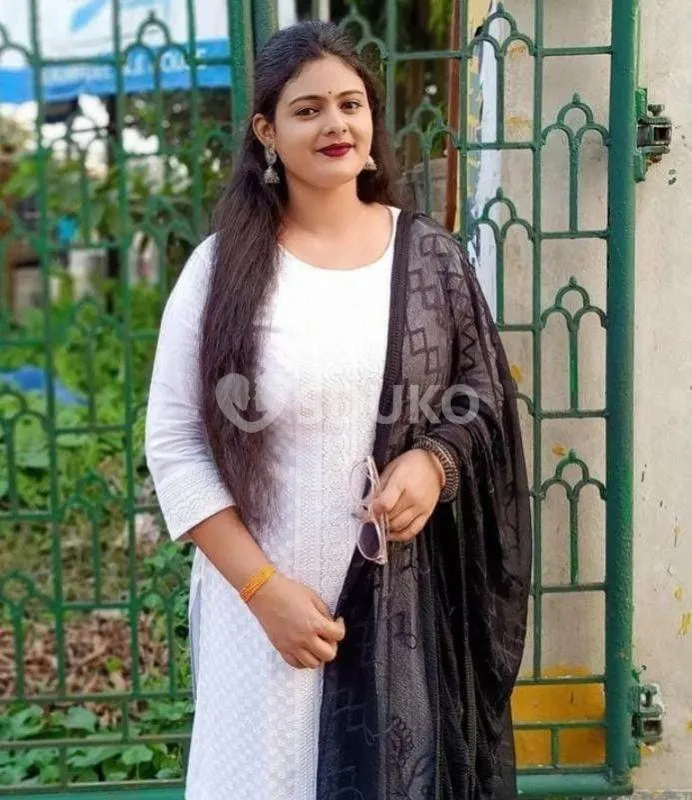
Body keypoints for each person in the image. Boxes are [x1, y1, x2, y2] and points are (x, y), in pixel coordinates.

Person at [145, 19, 531, 800]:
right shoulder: (221, 271)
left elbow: (481, 394)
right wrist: (263, 592)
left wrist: (435, 461)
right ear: (267, 131)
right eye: (308, 109)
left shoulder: (430, 258)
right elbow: (176, 441)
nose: (336, 125)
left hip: (402, 615)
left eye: (351, 105)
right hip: (263, 615)